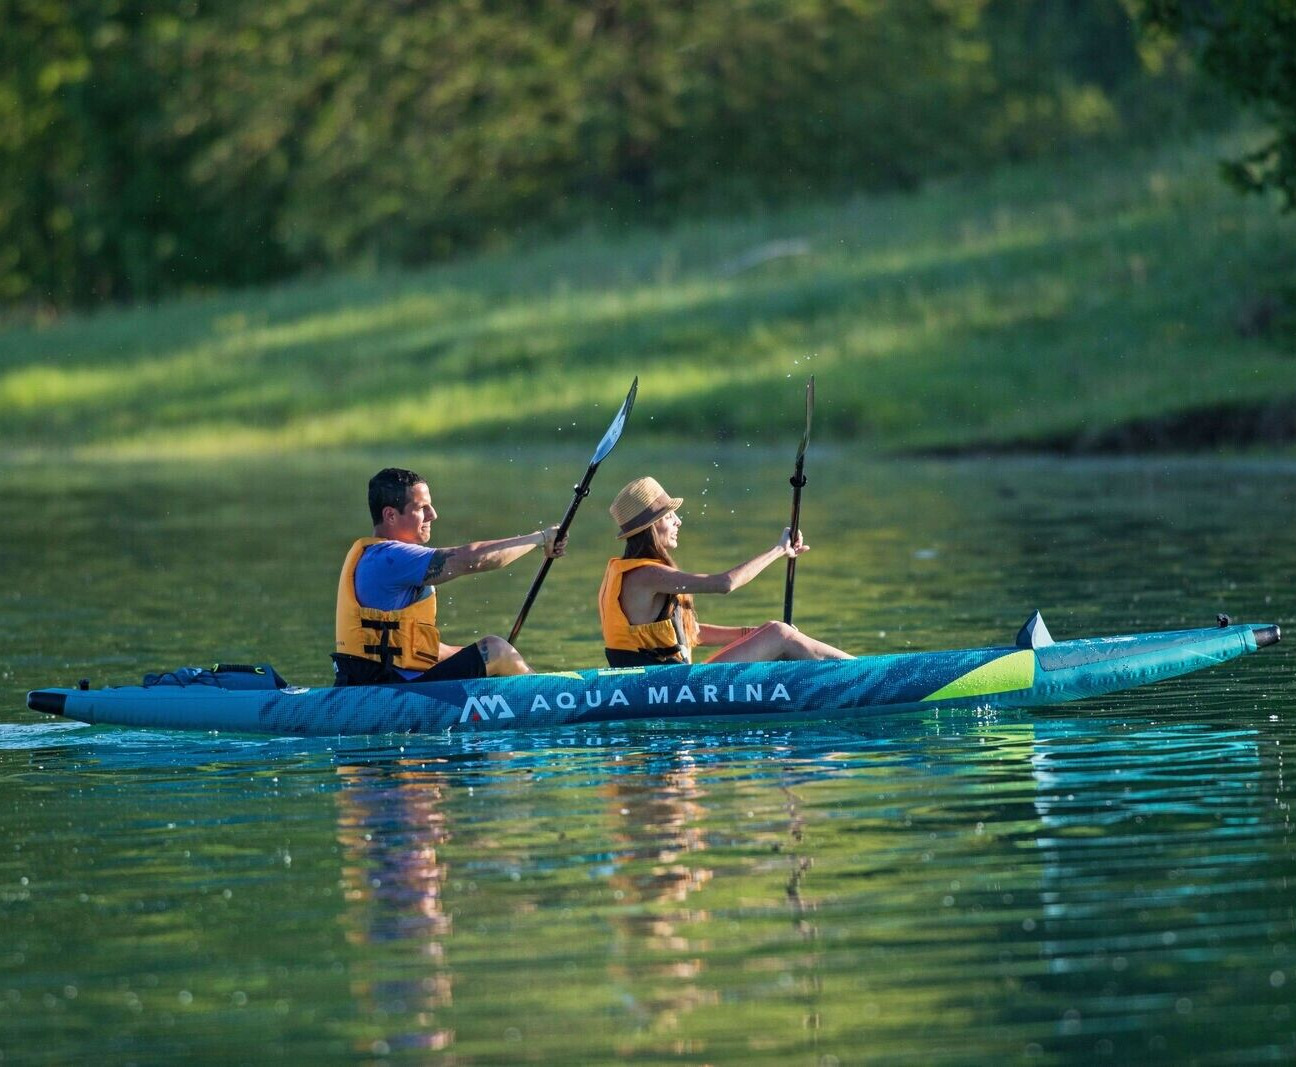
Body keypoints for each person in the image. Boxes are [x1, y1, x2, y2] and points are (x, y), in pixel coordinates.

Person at [334, 467, 566, 685]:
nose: (433, 514)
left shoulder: (376, 557)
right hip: (391, 691)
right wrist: (541, 538)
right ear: (390, 515)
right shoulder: (391, 557)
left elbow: (414, 647)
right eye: (421, 508)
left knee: (492, 653)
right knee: (496, 650)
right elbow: (472, 559)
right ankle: (554, 697)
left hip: (379, 684)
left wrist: (474, 659)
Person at [598, 476, 852, 667]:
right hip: (669, 687)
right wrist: (778, 550)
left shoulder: (636, 573)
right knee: (779, 634)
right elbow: (725, 584)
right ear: (651, 527)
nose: (678, 521)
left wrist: (754, 634)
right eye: (669, 516)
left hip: (671, 684)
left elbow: (691, 632)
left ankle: (853, 670)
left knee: (773, 630)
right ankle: (864, 672)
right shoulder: (646, 575)